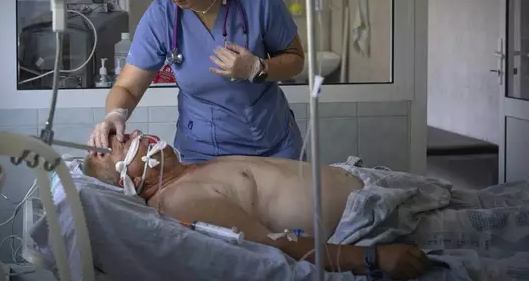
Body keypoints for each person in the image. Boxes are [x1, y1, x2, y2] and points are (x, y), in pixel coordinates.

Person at [84, 130, 435, 280]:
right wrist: (374, 258)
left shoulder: (191, 168)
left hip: (379, 189)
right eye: (121, 145)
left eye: (126, 133)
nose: (132, 136)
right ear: (125, 181)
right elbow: (272, 245)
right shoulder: (179, 198)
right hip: (380, 226)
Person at [89, 0, 305, 163]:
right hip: (201, 152)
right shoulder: (162, 16)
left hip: (271, 145)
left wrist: (258, 68)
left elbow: (296, 59)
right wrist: (115, 114)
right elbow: (127, 88)